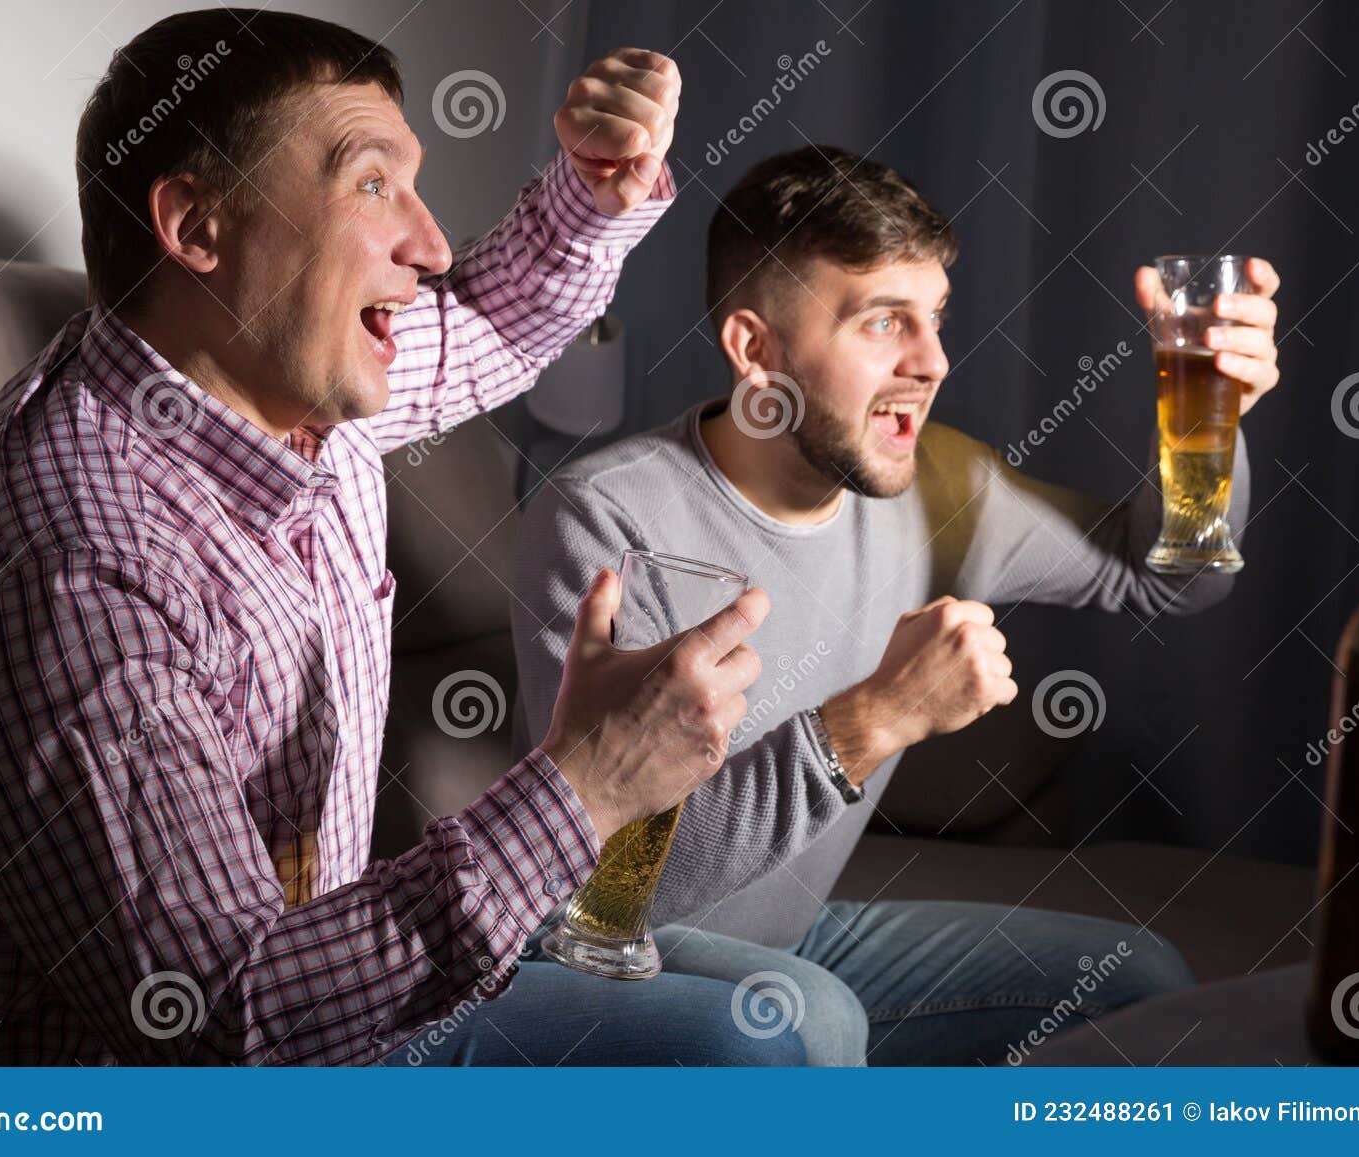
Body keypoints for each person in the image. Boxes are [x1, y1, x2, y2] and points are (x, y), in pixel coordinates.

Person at [0, 9, 797, 1067]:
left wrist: (590, 192)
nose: (427, 246)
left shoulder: (292, 388)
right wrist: (588, 782)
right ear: (196, 227)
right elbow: (219, 1017)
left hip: (325, 1026)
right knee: (746, 1050)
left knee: (798, 1008)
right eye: (372, 183)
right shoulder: (75, 563)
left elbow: (489, 320)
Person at [509, 144, 1283, 1065]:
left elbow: (1165, 576)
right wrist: (873, 720)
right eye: (884, 322)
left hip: (797, 939)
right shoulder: (608, 520)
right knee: (809, 1017)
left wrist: (1209, 423)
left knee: (1136, 975)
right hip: (607, 962)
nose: (935, 361)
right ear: (757, 350)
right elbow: (619, 889)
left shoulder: (936, 490)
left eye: (936, 318)